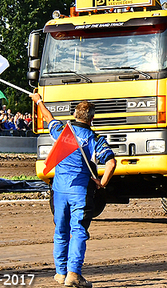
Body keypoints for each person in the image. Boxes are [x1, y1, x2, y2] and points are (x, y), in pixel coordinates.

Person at [30, 92, 116, 288]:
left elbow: (47, 117)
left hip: (59, 191)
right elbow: (111, 163)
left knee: (61, 231)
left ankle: (60, 273)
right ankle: (74, 275)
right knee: (78, 231)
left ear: (75, 115)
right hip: (81, 192)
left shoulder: (62, 131)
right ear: (92, 118)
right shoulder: (95, 139)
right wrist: (102, 182)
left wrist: (39, 101)